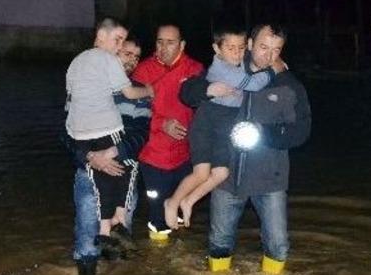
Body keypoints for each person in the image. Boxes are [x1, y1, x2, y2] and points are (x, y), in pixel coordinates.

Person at [180, 23, 311, 275]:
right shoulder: (228, 67)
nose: (268, 55)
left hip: (270, 180)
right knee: (219, 245)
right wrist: (207, 90)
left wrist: (263, 134)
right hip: (226, 177)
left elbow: (302, 131)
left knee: (278, 246)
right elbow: (187, 91)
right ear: (250, 44)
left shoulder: (288, 84)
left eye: (276, 49)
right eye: (263, 47)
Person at [163, 26, 283, 230]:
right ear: (217, 49)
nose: (237, 53)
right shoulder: (222, 68)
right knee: (201, 173)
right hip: (207, 123)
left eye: (240, 48)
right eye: (231, 48)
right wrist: (274, 70)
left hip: (226, 127)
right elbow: (252, 84)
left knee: (220, 174)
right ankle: (172, 202)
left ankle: (189, 201)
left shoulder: (240, 66)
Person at [65, 18, 154, 261]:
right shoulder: (88, 83)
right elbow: (68, 133)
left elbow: (141, 133)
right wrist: (91, 157)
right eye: (126, 51)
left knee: (118, 244)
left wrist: (112, 153)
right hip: (88, 172)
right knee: (86, 243)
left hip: (121, 169)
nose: (131, 60)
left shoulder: (137, 94)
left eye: (137, 56)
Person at [131, 24, 204, 241]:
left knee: (182, 215)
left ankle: (177, 265)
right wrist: (162, 124)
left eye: (170, 42)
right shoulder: (143, 71)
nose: (163, 47)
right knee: (158, 218)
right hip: (153, 156)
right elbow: (133, 116)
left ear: (182, 44)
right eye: (159, 42)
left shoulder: (195, 70)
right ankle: (157, 265)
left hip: (186, 156)